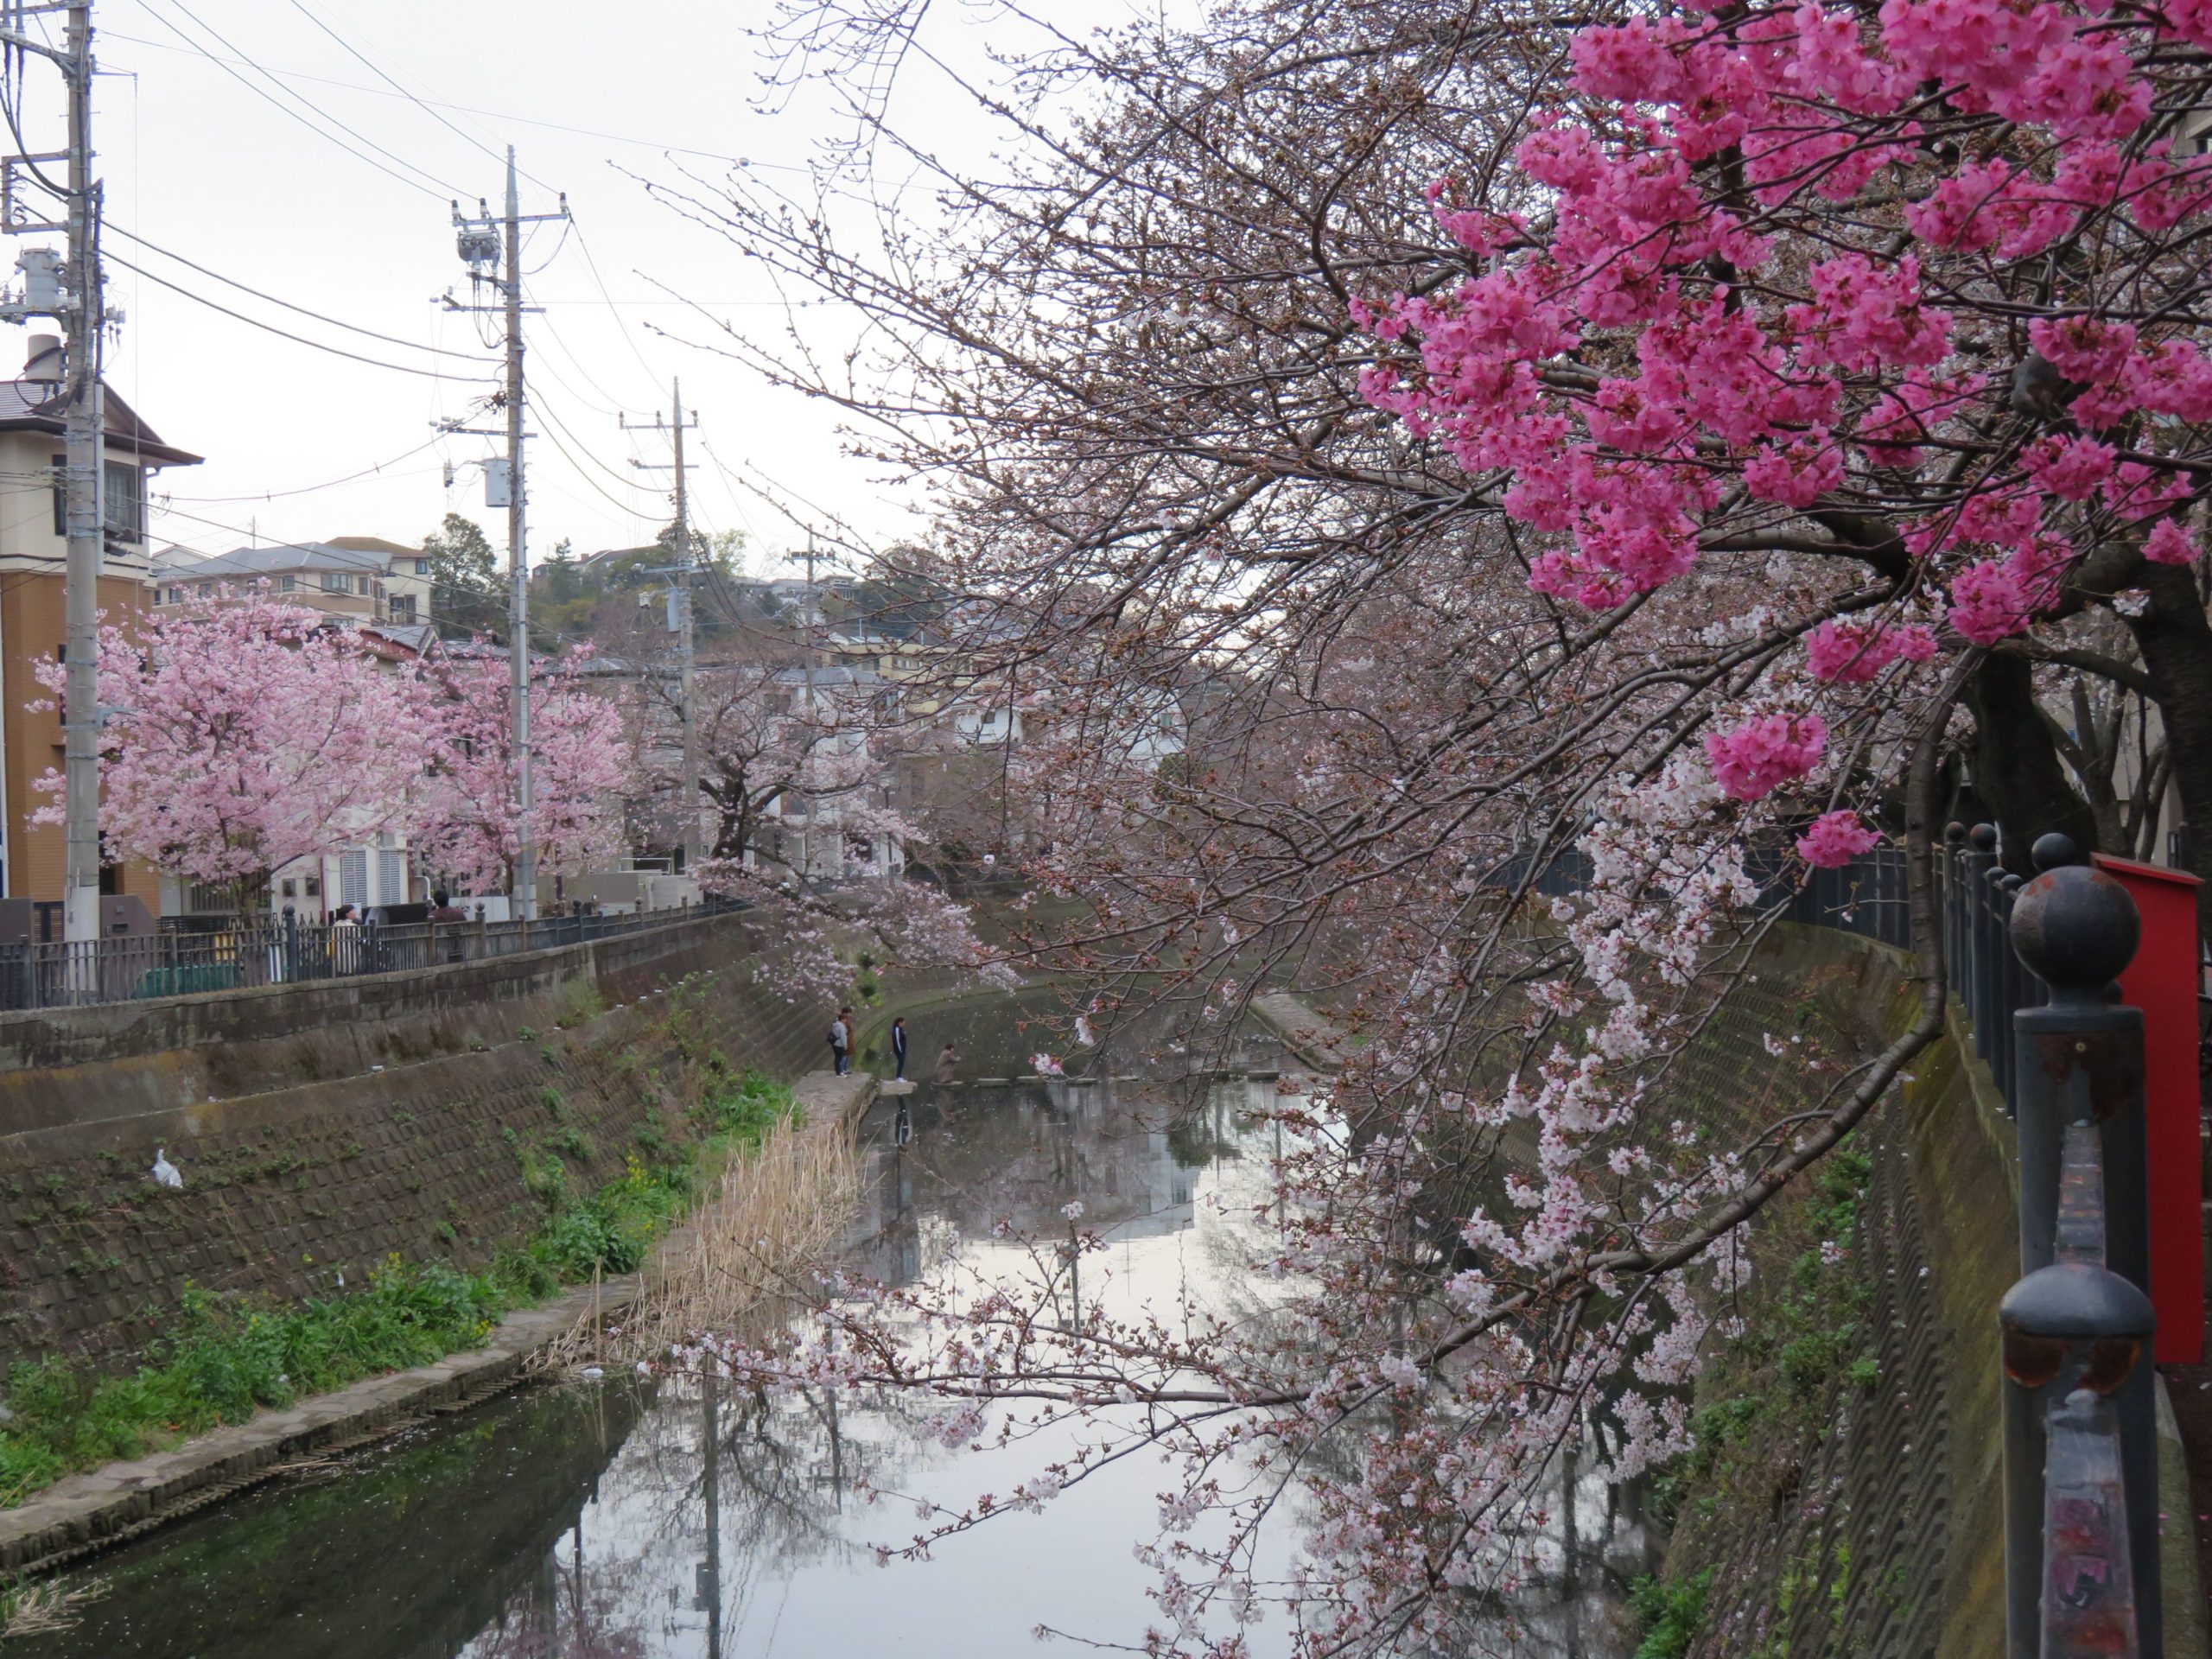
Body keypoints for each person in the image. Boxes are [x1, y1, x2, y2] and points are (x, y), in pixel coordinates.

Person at [830, 1007, 851, 1077]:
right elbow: (843, 1036)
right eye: (845, 1019)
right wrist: (845, 1045)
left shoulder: (835, 1025)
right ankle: (840, 1072)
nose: (846, 1020)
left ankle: (839, 1072)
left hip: (834, 1044)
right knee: (840, 1058)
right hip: (839, 1044)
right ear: (842, 1019)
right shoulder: (841, 1027)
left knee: (837, 1058)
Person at [890, 1016, 909, 1081]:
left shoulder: (900, 1029)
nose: (904, 1024)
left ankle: (899, 1077)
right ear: (899, 1022)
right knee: (901, 1063)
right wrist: (900, 1050)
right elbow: (897, 1040)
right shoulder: (897, 1029)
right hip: (899, 1049)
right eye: (903, 1022)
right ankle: (898, 1078)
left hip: (902, 1049)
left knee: (901, 1063)